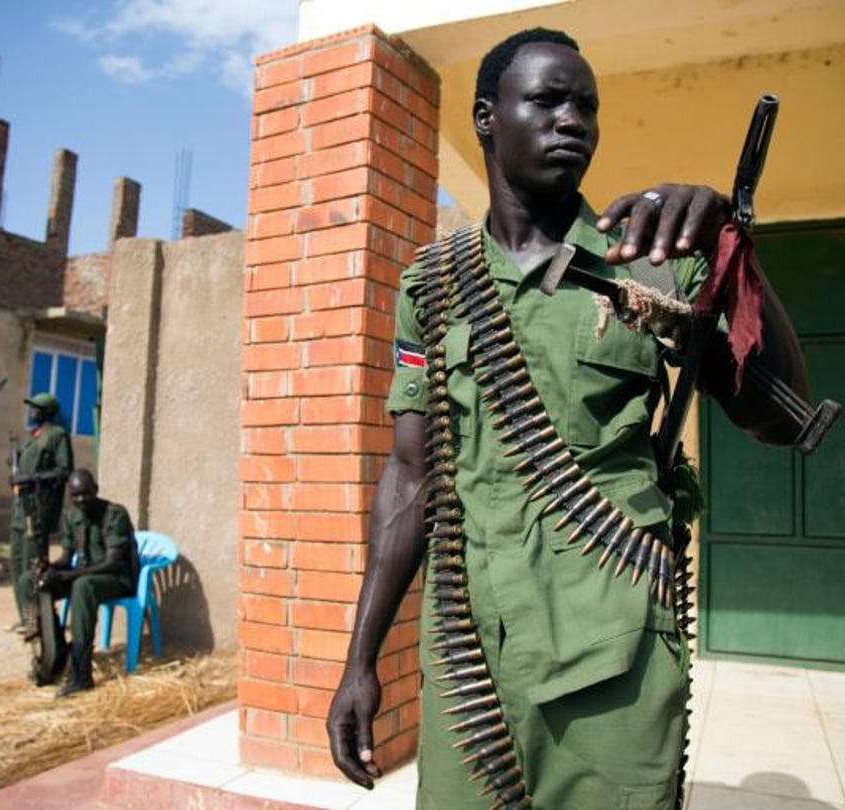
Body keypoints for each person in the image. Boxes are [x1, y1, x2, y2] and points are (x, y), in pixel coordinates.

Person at [326, 28, 810, 809]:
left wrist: (730, 250)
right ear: (486, 117)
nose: (572, 120)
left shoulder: (653, 260)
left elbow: (779, 418)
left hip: (611, 656)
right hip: (467, 661)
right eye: (547, 100)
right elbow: (409, 477)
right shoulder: (431, 285)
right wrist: (359, 660)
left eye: (585, 105)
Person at [16, 469, 138, 697]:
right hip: (86, 575)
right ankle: (54, 652)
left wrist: (70, 576)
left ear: (96, 490)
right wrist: (50, 569)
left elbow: (112, 562)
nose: (81, 500)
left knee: (83, 585)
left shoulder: (114, 514)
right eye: (75, 495)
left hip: (116, 578)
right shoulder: (72, 516)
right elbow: (66, 558)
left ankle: (81, 673)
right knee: (28, 580)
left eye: (85, 494)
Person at [9, 392, 73, 629]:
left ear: (48, 412)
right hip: (19, 509)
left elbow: (64, 470)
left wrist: (30, 478)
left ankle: (39, 617)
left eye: (37, 408)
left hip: (37, 511)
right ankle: (25, 617)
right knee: (16, 563)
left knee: (33, 563)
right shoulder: (32, 438)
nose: (32, 411)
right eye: (31, 407)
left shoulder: (57, 435)